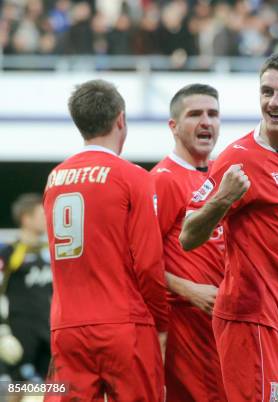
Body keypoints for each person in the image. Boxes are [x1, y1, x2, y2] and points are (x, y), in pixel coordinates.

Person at [180, 52, 278, 402]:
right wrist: (222, 200)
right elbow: (187, 236)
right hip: (251, 318)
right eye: (267, 92)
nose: (273, 102)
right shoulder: (239, 158)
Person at [43, 79, 168, 401]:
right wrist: (161, 323)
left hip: (66, 326)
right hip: (124, 323)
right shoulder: (133, 177)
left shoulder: (54, 179)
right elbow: (149, 262)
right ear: (121, 119)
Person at [150, 83, 226, 401]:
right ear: (174, 126)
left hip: (220, 323)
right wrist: (188, 289)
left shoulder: (222, 175)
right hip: (185, 326)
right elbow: (136, 259)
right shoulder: (163, 179)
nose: (206, 121)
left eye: (213, 114)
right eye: (195, 114)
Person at [0, 194, 51, 386]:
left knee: (57, 386)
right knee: (16, 387)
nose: (47, 219)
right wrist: (3, 332)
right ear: (26, 218)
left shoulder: (51, 252)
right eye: (41, 214)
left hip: (48, 329)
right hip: (20, 332)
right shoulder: (10, 253)